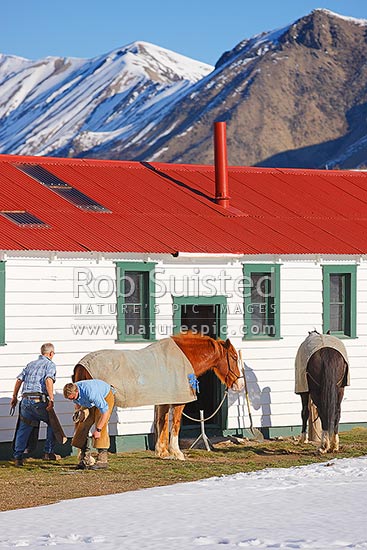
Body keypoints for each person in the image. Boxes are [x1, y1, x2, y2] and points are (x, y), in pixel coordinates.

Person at [11, 343, 60, 466]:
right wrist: (52, 399)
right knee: (52, 423)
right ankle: (48, 452)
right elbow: (48, 380)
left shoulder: (30, 364)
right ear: (50, 353)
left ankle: (18, 457)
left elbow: (19, 380)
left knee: (24, 427)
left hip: (25, 400)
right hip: (39, 399)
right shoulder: (50, 365)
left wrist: (14, 397)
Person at [63, 379, 115, 470]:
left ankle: (102, 460)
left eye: (73, 398)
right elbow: (77, 404)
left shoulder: (91, 393)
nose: (72, 400)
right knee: (82, 424)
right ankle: (85, 459)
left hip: (105, 396)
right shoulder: (74, 394)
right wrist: (78, 412)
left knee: (101, 422)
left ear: (77, 391)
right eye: (70, 399)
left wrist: (98, 430)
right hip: (88, 401)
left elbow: (105, 412)